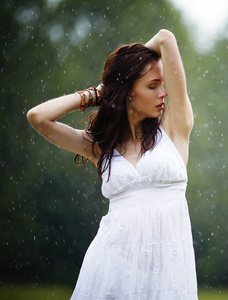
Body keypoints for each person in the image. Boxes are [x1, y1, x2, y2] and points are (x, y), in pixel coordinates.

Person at [27, 29, 197, 299]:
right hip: (110, 267)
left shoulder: (174, 128)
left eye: (162, 84)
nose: (163, 93)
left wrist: (132, 65)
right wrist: (98, 93)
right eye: (152, 86)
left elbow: (165, 38)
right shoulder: (101, 147)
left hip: (167, 272)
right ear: (128, 92)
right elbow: (38, 117)